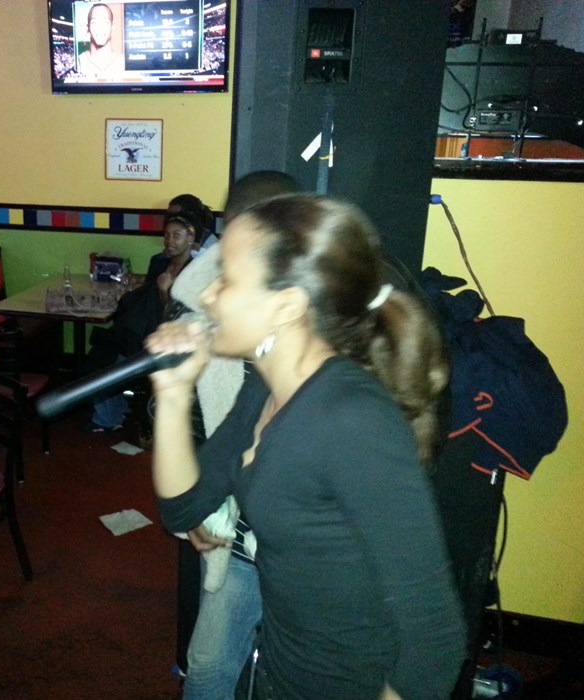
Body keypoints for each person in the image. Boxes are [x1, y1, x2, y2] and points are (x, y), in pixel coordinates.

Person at [148, 193, 466, 699]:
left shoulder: (352, 418)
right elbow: (183, 507)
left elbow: (435, 636)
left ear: (287, 306)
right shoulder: (265, 388)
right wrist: (173, 392)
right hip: (280, 670)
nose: (207, 295)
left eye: (226, 279)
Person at [170, 171, 300, 699]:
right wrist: (196, 510)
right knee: (207, 669)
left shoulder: (326, 332)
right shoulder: (200, 305)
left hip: (307, 552)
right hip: (236, 534)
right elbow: (196, 428)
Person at [83, 210, 203, 433]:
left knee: (108, 361)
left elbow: (181, 318)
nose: (170, 241)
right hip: (139, 331)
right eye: (167, 235)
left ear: (190, 239)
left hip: (165, 339)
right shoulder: (159, 264)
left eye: (177, 236)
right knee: (99, 355)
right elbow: (146, 294)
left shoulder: (194, 272)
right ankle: (111, 413)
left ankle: (109, 416)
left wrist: (164, 291)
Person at [78, 3, 125, 78]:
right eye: (94, 22)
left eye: (105, 22)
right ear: (87, 28)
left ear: (112, 27)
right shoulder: (79, 62)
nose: (100, 28)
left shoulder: (123, 62)